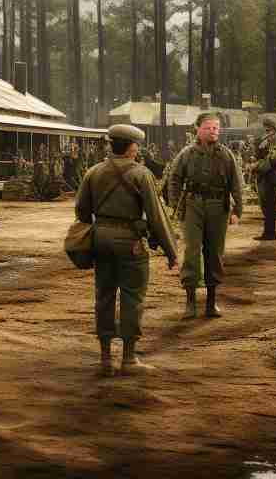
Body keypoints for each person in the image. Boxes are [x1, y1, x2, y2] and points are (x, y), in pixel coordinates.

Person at [75, 123, 178, 377]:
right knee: (132, 297)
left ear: (112, 145)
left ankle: (105, 358)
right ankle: (129, 358)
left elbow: (81, 210)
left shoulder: (93, 172)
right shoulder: (141, 174)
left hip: (100, 239)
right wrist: (171, 251)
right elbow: (156, 216)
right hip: (129, 241)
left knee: (104, 295)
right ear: (132, 147)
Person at [166, 112, 244, 320]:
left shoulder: (226, 155)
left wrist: (237, 211)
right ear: (198, 130)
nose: (213, 131)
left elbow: (236, 184)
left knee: (215, 252)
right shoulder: (186, 154)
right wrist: (176, 205)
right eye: (209, 127)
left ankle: (211, 301)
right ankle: (190, 301)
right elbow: (174, 179)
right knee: (192, 250)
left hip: (219, 207)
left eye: (216, 128)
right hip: (193, 206)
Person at [252, 117, 276, 241]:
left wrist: (256, 166)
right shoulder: (270, 137)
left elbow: (274, 158)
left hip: (272, 175)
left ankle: (270, 233)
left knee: (269, 204)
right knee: (266, 205)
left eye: (266, 126)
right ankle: (268, 232)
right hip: (267, 175)